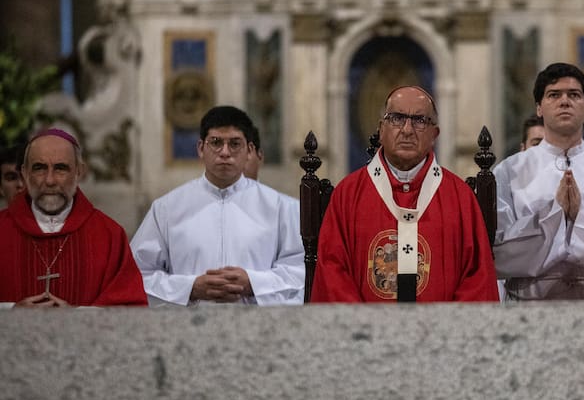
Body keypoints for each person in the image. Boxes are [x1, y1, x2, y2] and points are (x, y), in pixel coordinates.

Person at [312, 85, 499, 302]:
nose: (407, 130)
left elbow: (477, 280)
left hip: (443, 324)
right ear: (381, 129)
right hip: (362, 323)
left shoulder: (460, 198)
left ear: (435, 134)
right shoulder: (348, 195)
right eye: (397, 118)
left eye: (420, 120)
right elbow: (332, 274)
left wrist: (446, 324)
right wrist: (364, 322)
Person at [494, 63, 584, 301]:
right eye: (554, 95)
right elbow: (499, 253)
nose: (564, 101)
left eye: (574, 95)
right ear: (539, 108)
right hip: (530, 306)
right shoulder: (509, 171)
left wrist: (582, 216)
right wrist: (553, 215)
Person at [131, 105, 304, 306]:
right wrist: (190, 288)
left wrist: (253, 283)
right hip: (187, 322)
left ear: (249, 151)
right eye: (216, 142)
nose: (225, 152)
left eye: (235, 144)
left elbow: (301, 273)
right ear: (200, 148)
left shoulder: (282, 208)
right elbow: (138, 274)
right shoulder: (166, 208)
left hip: (259, 322)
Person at [0, 129, 147, 307]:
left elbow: (129, 310)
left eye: (60, 168)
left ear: (79, 172)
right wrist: (11, 313)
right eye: (39, 168)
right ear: (25, 173)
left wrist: (75, 317)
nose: (50, 180)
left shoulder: (109, 236)